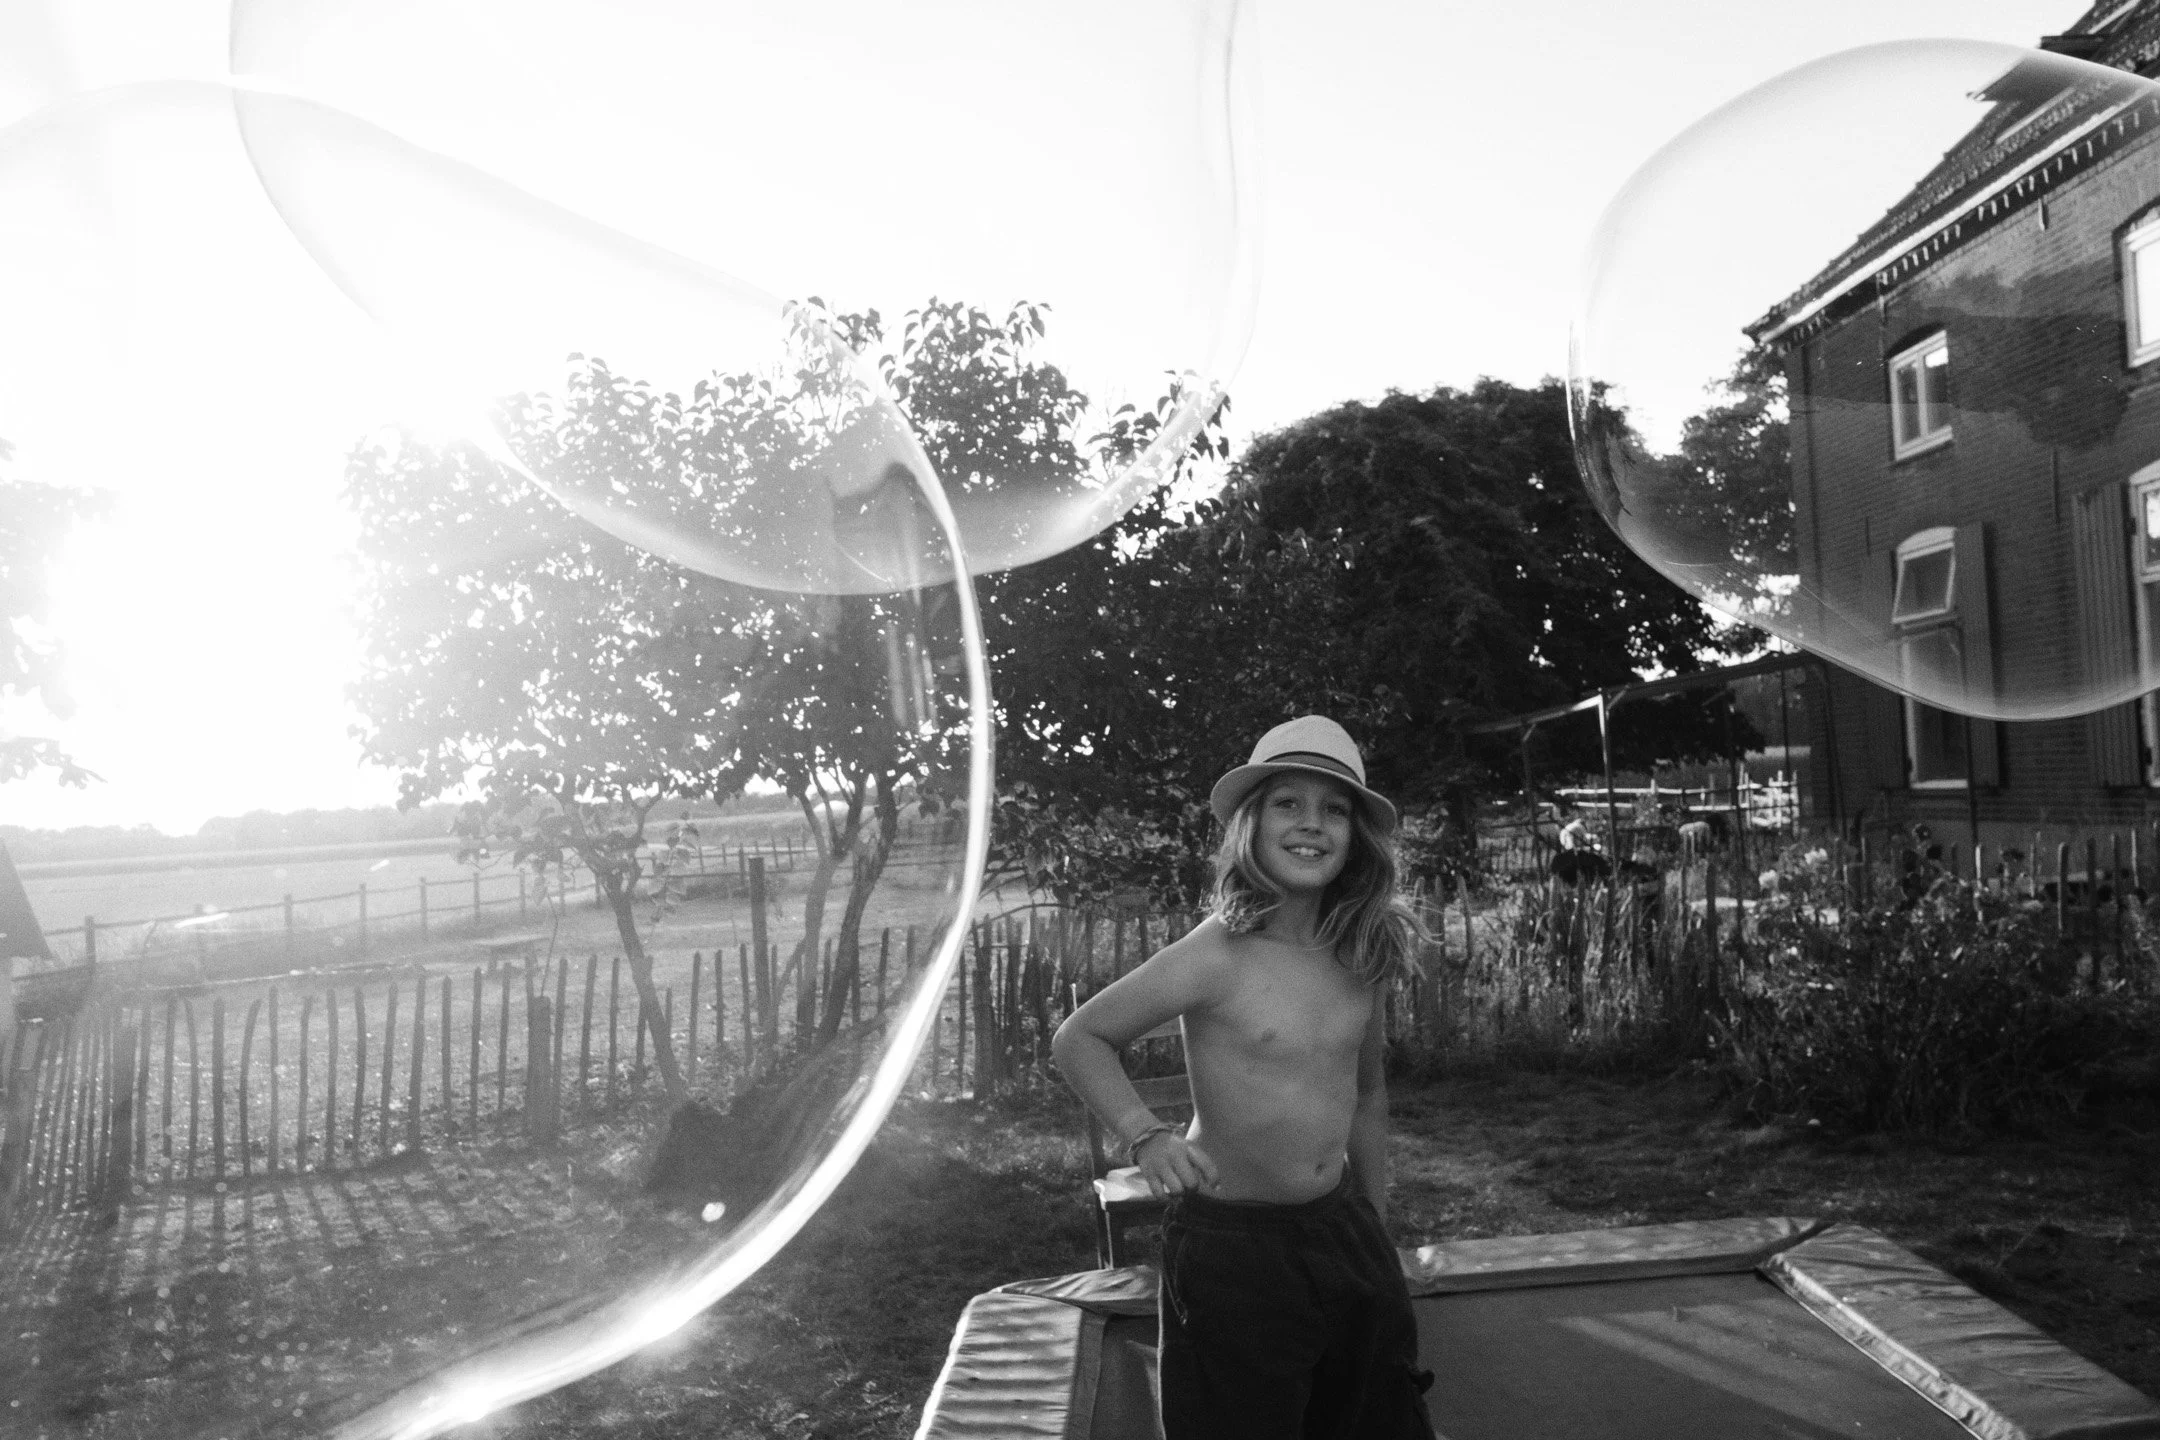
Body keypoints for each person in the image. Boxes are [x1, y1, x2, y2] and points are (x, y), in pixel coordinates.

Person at [1052, 715, 1436, 1440]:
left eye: (1334, 809)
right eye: (1289, 803)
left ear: (1356, 836)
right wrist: (1145, 1136)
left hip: (1340, 1227)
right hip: (1234, 1248)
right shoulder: (1217, 952)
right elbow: (1081, 1038)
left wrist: (1374, 1227)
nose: (1311, 824)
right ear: (1252, 826)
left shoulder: (1362, 953)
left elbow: (1366, 1093)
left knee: (1375, 1416)